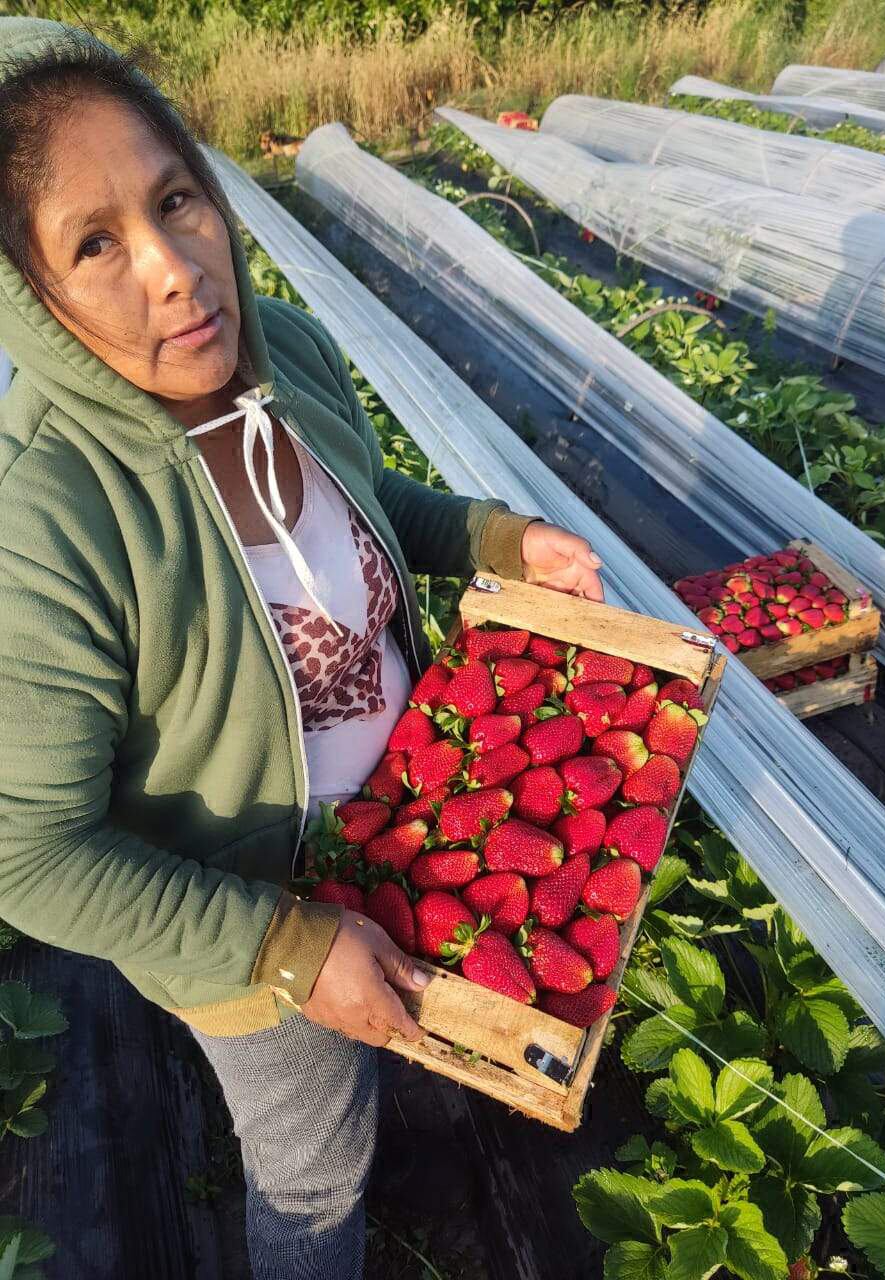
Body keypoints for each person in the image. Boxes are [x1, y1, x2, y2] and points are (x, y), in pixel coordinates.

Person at [0, 19, 606, 1278]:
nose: (174, 269)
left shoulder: (286, 362)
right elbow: (30, 854)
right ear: (32, 293)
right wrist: (285, 946)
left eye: (178, 199)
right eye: (95, 243)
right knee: (315, 1175)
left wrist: (498, 540)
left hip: (426, 816)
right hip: (252, 922)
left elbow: (366, 511)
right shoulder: (44, 515)